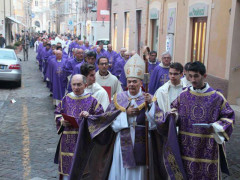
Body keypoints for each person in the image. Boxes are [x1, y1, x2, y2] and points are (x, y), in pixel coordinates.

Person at [69, 54, 171, 180]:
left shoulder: (148, 98)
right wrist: (125, 114)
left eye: (135, 81)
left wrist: (151, 105)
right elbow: (109, 121)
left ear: (140, 82)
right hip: (122, 140)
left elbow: (156, 124)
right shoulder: (119, 98)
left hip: (143, 141)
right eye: (129, 81)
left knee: (140, 173)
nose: (132, 84)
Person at [170, 61, 235, 179]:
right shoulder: (183, 95)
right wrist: (174, 116)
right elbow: (173, 109)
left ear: (204, 76)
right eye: (190, 76)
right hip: (186, 144)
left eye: (196, 76)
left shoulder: (216, 97)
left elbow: (229, 117)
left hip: (208, 146)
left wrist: (216, 126)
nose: (193, 80)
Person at [54, 74, 104, 180]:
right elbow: (57, 113)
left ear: (85, 85)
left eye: (79, 84)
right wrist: (62, 121)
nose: (76, 87)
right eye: (74, 85)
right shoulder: (66, 99)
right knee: (68, 171)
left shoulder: (92, 101)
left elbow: (100, 118)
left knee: (84, 170)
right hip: (67, 141)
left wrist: (89, 116)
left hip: (85, 141)